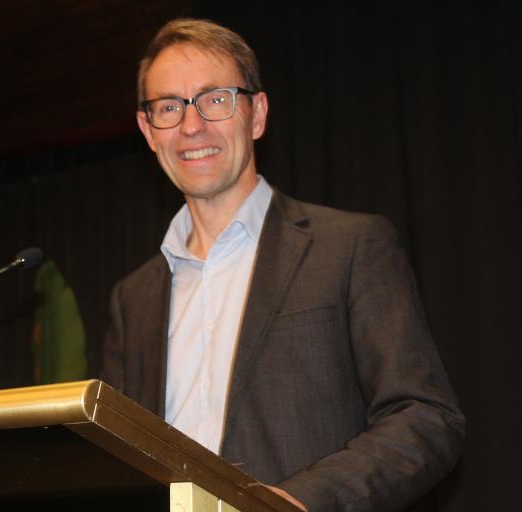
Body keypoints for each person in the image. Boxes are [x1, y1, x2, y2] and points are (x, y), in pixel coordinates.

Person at [102, 18, 465, 512]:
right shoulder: (134, 298)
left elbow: (426, 417)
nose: (191, 126)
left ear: (256, 115)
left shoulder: (351, 247)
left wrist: (300, 501)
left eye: (215, 100)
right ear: (148, 131)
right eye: (169, 107)